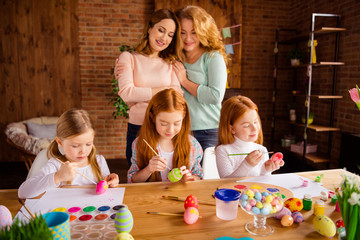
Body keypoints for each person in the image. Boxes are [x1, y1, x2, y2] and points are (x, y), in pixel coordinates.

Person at [114, 9, 183, 167]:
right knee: (138, 177)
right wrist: (164, 90)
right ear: (150, 28)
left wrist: (139, 96)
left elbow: (177, 96)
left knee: (163, 178)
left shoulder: (170, 63)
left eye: (170, 35)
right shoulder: (129, 58)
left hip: (166, 132)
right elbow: (126, 93)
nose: (164, 38)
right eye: (161, 30)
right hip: (138, 127)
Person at [18, 109, 119, 199]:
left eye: (88, 144)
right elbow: (23, 192)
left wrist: (111, 181)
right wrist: (58, 177)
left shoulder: (99, 161)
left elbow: (106, 188)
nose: (83, 151)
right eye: (75, 146)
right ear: (60, 143)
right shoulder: (56, 165)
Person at [173, 5, 228, 155]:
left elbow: (215, 96)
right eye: (182, 33)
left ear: (203, 31)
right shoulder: (175, 57)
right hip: (179, 130)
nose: (187, 38)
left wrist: (184, 81)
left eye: (194, 32)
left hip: (208, 131)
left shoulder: (213, 57)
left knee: (206, 177)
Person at [127, 88, 203, 183]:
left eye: (176, 123)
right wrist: (149, 169)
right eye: (164, 124)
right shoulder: (139, 143)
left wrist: (190, 179)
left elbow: (199, 177)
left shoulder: (192, 144)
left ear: (183, 118)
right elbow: (133, 180)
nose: (170, 130)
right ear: (153, 117)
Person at [215, 96, 284, 178]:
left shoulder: (262, 150)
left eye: (255, 122)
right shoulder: (223, 151)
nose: (254, 128)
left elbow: (263, 184)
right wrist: (247, 165)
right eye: (247, 125)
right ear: (232, 129)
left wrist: (266, 170)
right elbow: (226, 182)